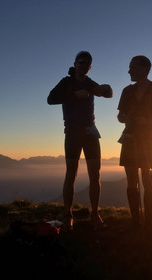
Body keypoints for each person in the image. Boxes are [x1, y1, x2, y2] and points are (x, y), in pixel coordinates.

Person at [47, 51, 113, 231]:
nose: (84, 65)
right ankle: (68, 214)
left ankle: (94, 214)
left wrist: (105, 89)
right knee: (71, 173)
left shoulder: (91, 83)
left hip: (90, 132)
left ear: (90, 67)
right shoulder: (66, 82)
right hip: (73, 132)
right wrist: (75, 96)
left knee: (95, 174)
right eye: (81, 62)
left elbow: (109, 95)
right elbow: (50, 99)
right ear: (75, 64)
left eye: (87, 63)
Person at [117, 55, 152, 236]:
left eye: (132, 67)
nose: (129, 71)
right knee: (133, 179)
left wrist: (147, 122)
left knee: (147, 179)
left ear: (144, 69)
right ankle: (137, 223)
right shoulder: (127, 91)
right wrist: (130, 119)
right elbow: (120, 117)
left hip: (146, 139)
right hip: (132, 138)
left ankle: (146, 224)